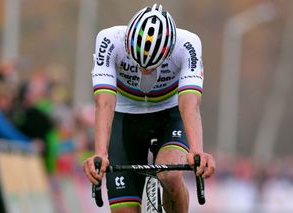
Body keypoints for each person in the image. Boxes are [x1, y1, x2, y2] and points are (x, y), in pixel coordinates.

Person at [83, 4, 216, 213]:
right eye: (138, 63)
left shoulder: (188, 44)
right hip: (125, 116)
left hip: (169, 114)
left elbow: (190, 106)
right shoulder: (110, 41)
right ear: (128, 42)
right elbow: (104, 102)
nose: (144, 70)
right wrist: (100, 153)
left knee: (170, 175)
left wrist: (197, 151)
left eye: (152, 66)